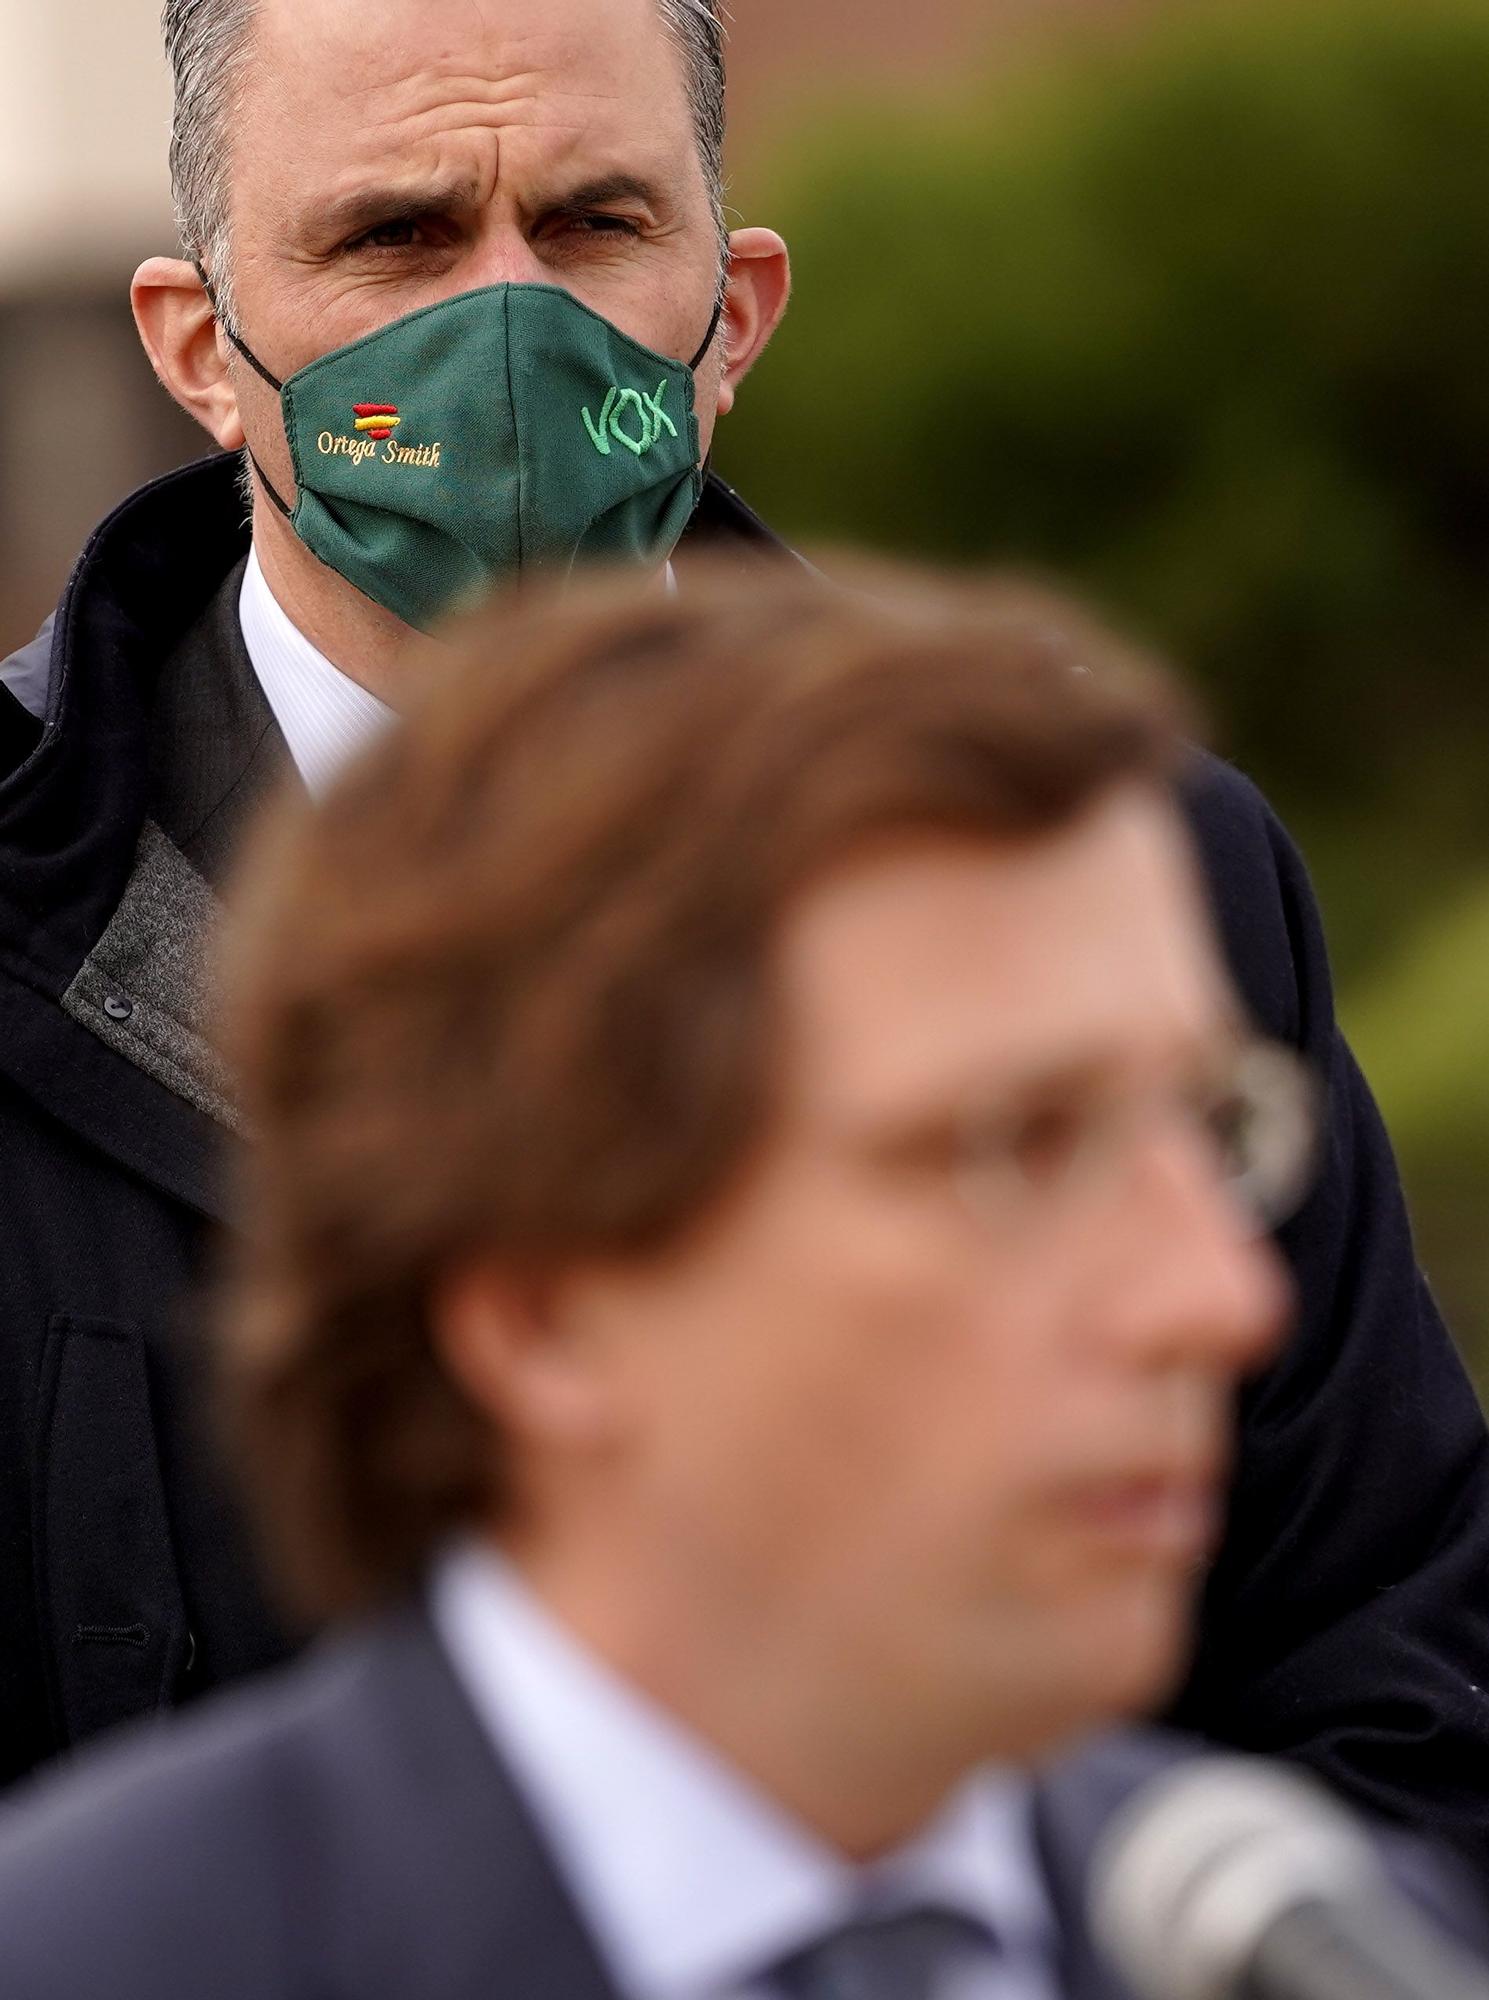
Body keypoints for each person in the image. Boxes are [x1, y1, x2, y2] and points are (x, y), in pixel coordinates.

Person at [0, 0, 1486, 1865]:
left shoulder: (1132, 891)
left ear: (737, 316)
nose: (507, 328)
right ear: (204, 351)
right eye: (395, 240)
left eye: (596, 224)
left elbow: (1394, 1686)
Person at [0, 563, 1394, 1997]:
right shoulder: (103, 1958)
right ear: (539, 1312)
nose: (1222, 1302)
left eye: (1209, 1128)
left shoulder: (1330, 1949)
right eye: (1014, 1149)